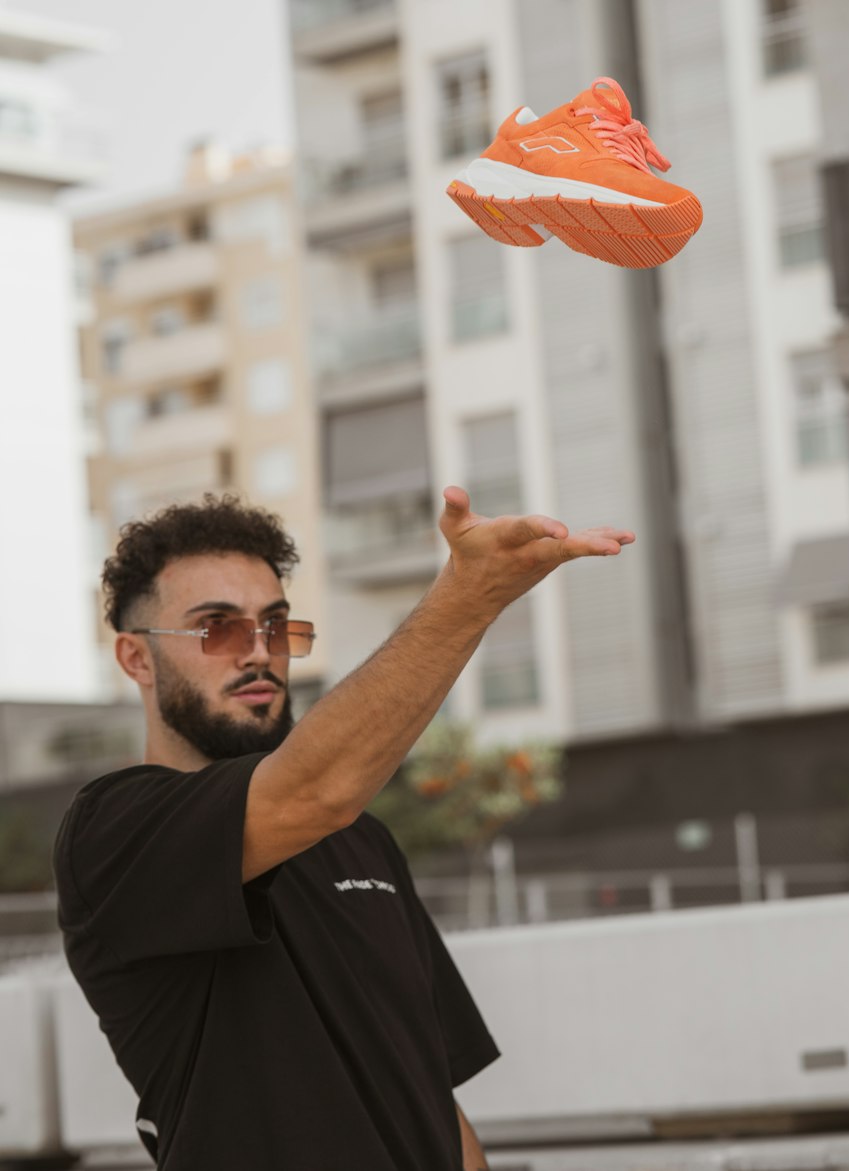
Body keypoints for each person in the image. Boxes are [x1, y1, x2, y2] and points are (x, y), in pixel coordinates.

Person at [54, 486, 634, 1171]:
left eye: (275, 625)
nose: (260, 653)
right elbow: (313, 789)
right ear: (136, 659)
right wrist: (470, 595)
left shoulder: (362, 839)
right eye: (218, 627)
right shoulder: (113, 832)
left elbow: (428, 1097)